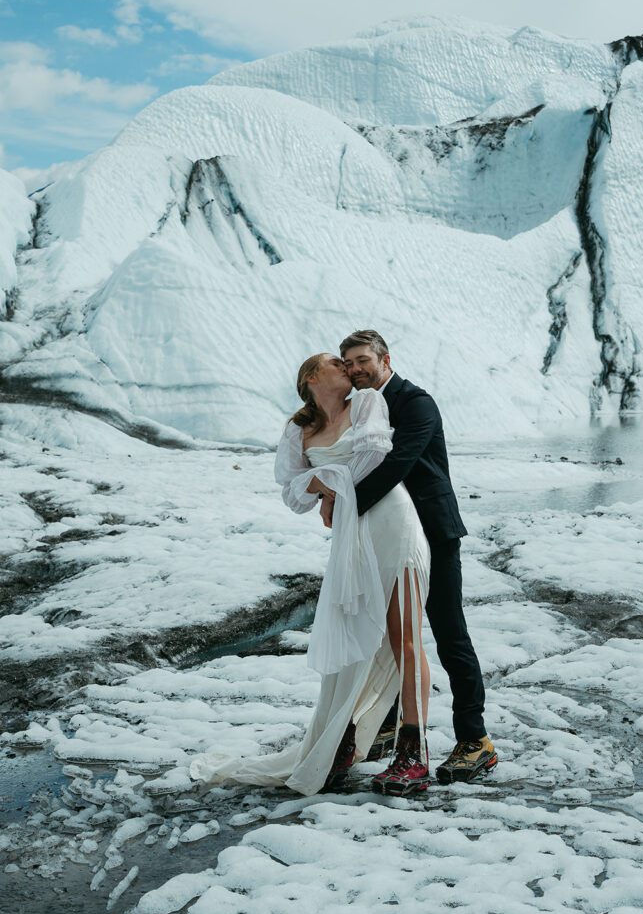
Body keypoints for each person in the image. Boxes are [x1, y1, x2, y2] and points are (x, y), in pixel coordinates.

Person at [186, 352, 432, 797]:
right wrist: (328, 489)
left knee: (404, 638)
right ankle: (340, 738)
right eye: (338, 362)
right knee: (350, 635)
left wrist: (328, 485)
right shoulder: (299, 429)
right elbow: (292, 490)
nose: (349, 368)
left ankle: (413, 754)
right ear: (312, 377)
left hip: (392, 523)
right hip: (350, 535)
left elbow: (376, 455)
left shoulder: (367, 405)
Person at [334, 330, 497, 785]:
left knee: (448, 633)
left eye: (362, 359)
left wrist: (345, 508)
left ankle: (475, 741)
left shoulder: (416, 403)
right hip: (388, 535)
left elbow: (396, 463)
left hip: (432, 532)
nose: (355, 369)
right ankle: (388, 727)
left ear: (386, 359)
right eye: (347, 363)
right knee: (387, 631)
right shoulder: (360, 406)